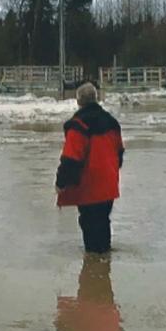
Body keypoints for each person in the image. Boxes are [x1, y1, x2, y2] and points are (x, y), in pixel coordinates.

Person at [55, 83, 124, 254]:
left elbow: (71, 158)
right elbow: (119, 152)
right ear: (97, 98)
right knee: (103, 220)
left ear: (78, 102)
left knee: (89, 223)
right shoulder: (112, 122)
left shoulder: (78, 125)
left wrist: (61, 182)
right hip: (108, 183)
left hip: (89, 185)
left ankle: (93, 263)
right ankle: (104, 258)